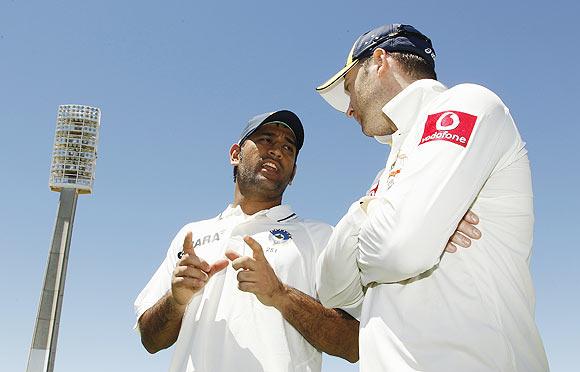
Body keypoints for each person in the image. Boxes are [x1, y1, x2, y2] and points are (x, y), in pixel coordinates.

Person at [133, 109, 480, 372]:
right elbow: (151, 341)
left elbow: (355, 344)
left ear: (294, 171)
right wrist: (176, 301)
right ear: (235, 154)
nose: (277, 151)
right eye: (266, 139)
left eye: (288, 147)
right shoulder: (190, 236)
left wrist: (280, 295)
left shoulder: (321, 237)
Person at [315, 24, 549, 371]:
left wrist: (396, 238)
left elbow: (401, 247)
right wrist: (373, 212)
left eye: (349, 88)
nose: (349, 108)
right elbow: (332, 289)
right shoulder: (390, 169)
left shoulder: (466, 102)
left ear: (379, 61)